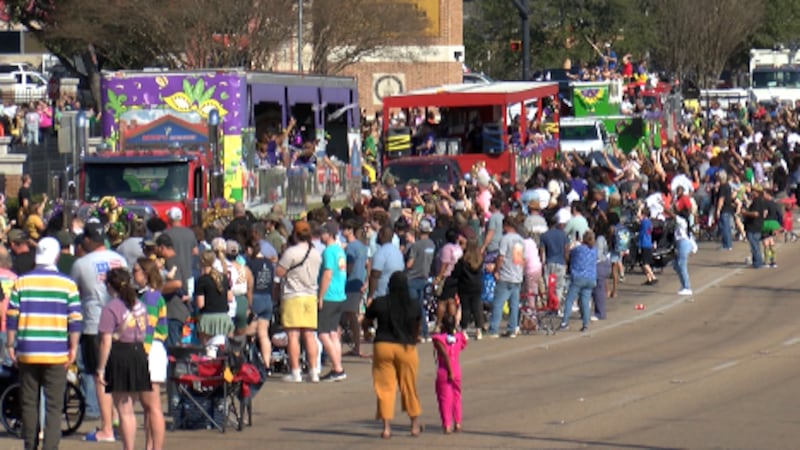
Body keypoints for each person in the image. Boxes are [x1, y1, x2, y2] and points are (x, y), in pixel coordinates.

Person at [6, 237, 82, 450]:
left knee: (29, 403)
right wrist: (73, 348)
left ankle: (30, 445)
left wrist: (11, 345)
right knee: (54, 405)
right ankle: (50, 447)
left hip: (28, 350)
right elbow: (75, 320)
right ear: (57, 256)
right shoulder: (68, 284)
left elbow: (12, 317)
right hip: (56, 353)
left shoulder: (21, 282)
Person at [71, 222, 127, 441]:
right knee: (117, 375)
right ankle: (116, 418)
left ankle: (106, 428)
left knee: (100, 375)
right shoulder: (120, 259)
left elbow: (74, 292)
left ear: (87, 240)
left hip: (94, 323)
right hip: (120, 321)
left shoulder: (81, 264)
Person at [96, 268, 151, 450]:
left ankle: (128, 448)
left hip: (121, 354)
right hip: (139, 353)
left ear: (110, 286)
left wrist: (101, 368)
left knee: (123, 410)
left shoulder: (111, 308)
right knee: (131, 409)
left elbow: (106, 341)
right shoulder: (140, 305)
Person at [364, 272, 423, 439]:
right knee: (409, 386)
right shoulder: (412, 304)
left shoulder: (380, 302)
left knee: (384, 388)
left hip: (383, 345)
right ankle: (414, 425)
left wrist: (367, 332)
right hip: (406, 347)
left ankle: (386, 428)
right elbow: (417, 325)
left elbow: (366, 321)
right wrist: (414, 337)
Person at [275, 220, 321, 383]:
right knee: (309, 335)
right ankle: (314, 370)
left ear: (295, 234)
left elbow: (279, 272)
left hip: (293, 294)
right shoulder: (315, 253)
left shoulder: (291, 252)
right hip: (310, 295)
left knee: (293, 335)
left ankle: (295, 372)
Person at [133, 258, 166, 450]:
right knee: (147, 406)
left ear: (146, 273)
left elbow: (149, 326)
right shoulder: (148, 295)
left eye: (136, 270)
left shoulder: (151, 297)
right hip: (152, 349)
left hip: (151, 349)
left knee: (152, 405)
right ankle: (149, 446)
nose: (133, 274)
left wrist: (142, 353)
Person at [317, 221, 347, 381]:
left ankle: (337, 367)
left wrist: (320, 296)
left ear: (329, 234)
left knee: (322, 333)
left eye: (322, 233)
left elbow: (327, 274)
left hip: (329, 295)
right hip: (340, 294)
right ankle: (338, 365)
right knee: (333, 333)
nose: (320, 236)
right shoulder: (340, 250)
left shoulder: (329, 251)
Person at [488, 217, 526, 338]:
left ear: (507, 226)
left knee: (498, 303)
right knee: (514, 305)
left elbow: (501, 257)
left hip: (505, 275)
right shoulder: (520, 240)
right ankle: (512, 328)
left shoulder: (505, 239)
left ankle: (494, 329)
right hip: (516, 275)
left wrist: (496, 270)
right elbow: (519, 259)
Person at [432, 312, 466, 434]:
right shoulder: (459, 337)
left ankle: (447, 424)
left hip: (444, 370)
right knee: (456, 396)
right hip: (456, 368)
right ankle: (457, 422)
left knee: (445, 398)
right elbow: (463, 344)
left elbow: (444, 355)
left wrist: (449, 371)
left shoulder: (438, 339)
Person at [245, 241, 275, 372]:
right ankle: (267, 364)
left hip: (255, 297)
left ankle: (249, 362)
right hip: (267, 298)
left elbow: (249, 284)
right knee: (263, 334)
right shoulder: (269, 264)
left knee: (248, 333)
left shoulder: (250, 264)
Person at [560, 230, 598, 332]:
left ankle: (564, 322)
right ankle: (585, 324)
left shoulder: (578, 249)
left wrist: (570, 246)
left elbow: (568, 256)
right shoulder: (594, 250)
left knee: (569, 299)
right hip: (591, 278)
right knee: (585, 301)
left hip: (578, 277)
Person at [447, 238, 484, 339]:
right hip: (477, 285)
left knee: (466, 308)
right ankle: (478, 330)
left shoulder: (463, 260)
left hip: (465, 286)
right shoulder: (480, 259)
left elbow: (456, 273)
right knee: (477, 307)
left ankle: (464, 329)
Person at [405, 218, 435, 340]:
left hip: (412, 278)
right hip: (424, 278)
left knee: (414, 306)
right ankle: (424, 331)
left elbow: (409, 264)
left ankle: (418, 332)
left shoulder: (416, 246)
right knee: (421, 306)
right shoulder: (432, 245)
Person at [195, 250, 234, 344]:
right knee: (222, 350)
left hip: (208, 318)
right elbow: (230, 298)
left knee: (207, 351)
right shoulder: (223, 278)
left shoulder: (202, 280)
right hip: (223, 318)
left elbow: (200, 304)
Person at [343, 219, 368, 357]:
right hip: (359, 282)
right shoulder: (362, 246)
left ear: (350, 230)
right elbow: (368, 264)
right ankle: (355, 345)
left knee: (351, 316)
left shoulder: (351, 248)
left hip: (351, 283)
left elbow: (349, 267)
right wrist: (366, 281)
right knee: (350, 315)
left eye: (345, 229)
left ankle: (357, 346)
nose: (343, 232)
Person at [673, 209, 696, 296]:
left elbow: (673, 215)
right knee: (676, 265)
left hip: (683, 243)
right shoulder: (683, 224)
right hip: (681, 243)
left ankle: (687, 287)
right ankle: (684, 285)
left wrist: (663, 206)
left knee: (682, 265)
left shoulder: (682, 221)